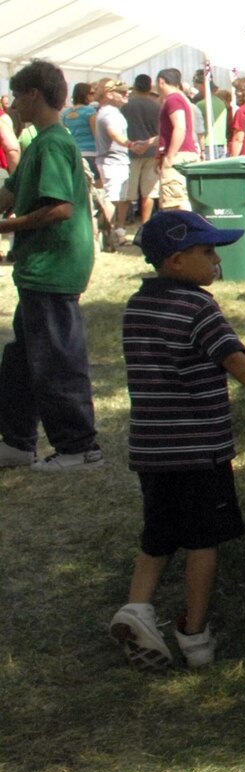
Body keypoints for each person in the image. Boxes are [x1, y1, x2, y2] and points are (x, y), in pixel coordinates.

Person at [109, 210, 245, 670]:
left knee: (158, 535)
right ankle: (194, 631)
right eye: (207, 252)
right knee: (204, 540)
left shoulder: (137, 305)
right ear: (178, 261)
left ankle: (137, 607)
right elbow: (237, 363)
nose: (216, 260)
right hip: (200, 447)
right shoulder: (198, 307)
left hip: (151, 448)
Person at [0, 61, 102, 470]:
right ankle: (18, 443)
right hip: (38, 268)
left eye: (12, 96)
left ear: (32, 95)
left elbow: (59, 208)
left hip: (53, 267)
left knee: (57, 359)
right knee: (22, 360)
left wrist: (9, 226)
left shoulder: (53, 143)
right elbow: (10, 192)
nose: (9, 105)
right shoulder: (38, 144)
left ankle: (79, 447)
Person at [93, 80, 134, 251]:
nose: (126, 94)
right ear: (109, 94)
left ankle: (111, 234)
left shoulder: (110, 111)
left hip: (115, 160)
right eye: (121, 92)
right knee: (111, 198)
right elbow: (114, 134)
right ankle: (106, 237)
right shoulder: (109, 113)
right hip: (112, 161)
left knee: (116, 198)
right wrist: (130, 144)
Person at [154, 68, 200, 213]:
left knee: (175, 202)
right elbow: (172, 130)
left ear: (161, 81)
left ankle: (185, 231)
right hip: (185, 153)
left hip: (178, 155)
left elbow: (180, 127)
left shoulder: (173, 99)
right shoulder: (181, 99)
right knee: (180, 199)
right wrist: (149, 143)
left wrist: (170, 156)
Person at [120, 73, 163, 227]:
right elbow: (161, 131)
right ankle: (145, 224)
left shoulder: (126, 106)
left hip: (131, 152)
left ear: (136, 86)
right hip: (151, 152)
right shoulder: (156, 106)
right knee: (149, 192)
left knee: (127, 193)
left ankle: (120, 226)